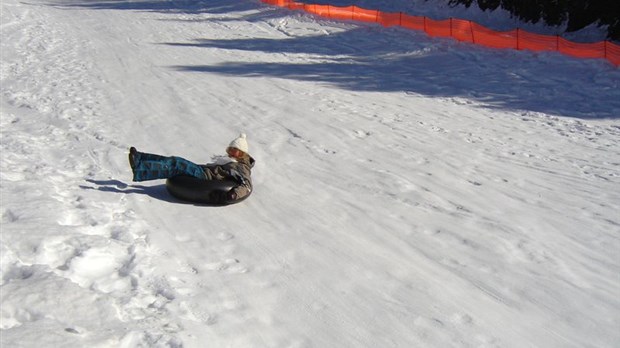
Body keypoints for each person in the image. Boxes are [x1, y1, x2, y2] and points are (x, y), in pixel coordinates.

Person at [128, 133, 255, 204]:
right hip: (203, 172)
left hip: (205, 177)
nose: (232, 152)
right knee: (175, 161)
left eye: (236, 150)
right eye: (231, 149)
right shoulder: (231, 161)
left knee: (177, 163)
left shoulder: (240, 166)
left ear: (242, 153)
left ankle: (140, 168)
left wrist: (232, 195)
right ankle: (139, 158)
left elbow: (247, 186)